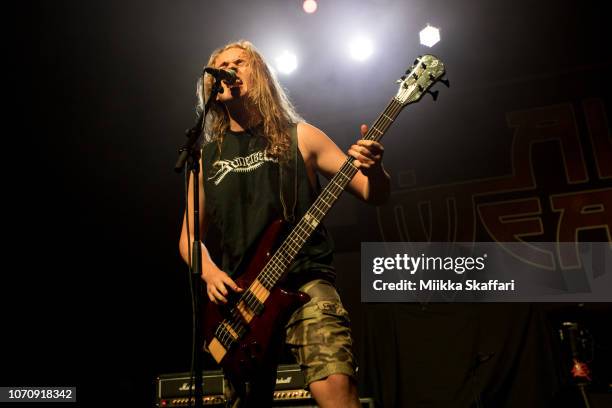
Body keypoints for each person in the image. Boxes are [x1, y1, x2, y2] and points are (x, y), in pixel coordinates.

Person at [179, 40, 390, 408]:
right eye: (221, 65)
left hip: (304, 283)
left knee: (337, 387)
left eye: (238, 62)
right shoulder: (206, 156)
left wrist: (377, 171)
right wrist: (210, 272)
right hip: (242, 302)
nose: (228, 69)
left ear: (258, 73)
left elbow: (371, 193)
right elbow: (188, 238)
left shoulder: (301, 136)